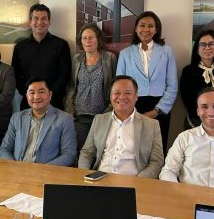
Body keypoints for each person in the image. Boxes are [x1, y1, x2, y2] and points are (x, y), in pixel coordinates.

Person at [77, 76, 163, 177]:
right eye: (117, 93)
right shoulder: (99, 120)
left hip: (134, 181)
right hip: (99, 180)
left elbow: (157, 162)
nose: (121, 97)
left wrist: (139, 181)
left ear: (136, 96)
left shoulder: (151, 125)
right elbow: (87, 152)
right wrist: (84, 174)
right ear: (110, 96)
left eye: (127, 93)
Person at [116, 11, 177, 152]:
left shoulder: (167, 52)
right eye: (142, 25)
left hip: (160, 107)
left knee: (157, 150)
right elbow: (119, 86)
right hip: (133, 106)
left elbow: (172, 85)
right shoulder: (125, 54)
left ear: (156, 30)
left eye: (150, 26)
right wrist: (130, 110)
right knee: (132, 150)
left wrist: (157, 111)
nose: (146, 29)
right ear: (136, 28)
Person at [0, 78, 76, 166]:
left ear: (50, 94)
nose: (36, 97)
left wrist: (43, 170)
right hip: (18, 169)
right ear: (26, 96)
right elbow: (5, 149)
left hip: (47, 171)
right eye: (32, 92)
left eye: (41, 92)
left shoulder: (65, 119)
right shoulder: (17, 117)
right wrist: (15, 167)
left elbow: (69, 154)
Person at [64, 24, 117, 152]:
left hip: (102, 116)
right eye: (84, 38)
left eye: (91, 37)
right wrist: (70, 111)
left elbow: (115, 87)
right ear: (80, 41)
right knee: (81, 152)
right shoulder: (76, 59)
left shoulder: (110, 58)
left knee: (99, 152)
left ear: (98, 39)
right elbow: (71, 86)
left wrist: (109, 111)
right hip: (79, 117)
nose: (88, 40)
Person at [11, 3, 71, 110]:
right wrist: (29, 94)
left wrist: (48, 95)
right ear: (30, 22)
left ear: (49, 21)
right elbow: (15, 75)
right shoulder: (20, 47)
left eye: (44, 18)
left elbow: (64, 76)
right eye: (36, 18)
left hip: (54, 103)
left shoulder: (61, 45)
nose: (40, 22)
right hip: (28, 104)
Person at [179, 29, 214, 129]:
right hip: (195, 123)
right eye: (203, 44)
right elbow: (187, 100)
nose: (207, 48)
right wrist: (206, 119)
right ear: (197, 48)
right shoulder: (188, 71)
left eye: (211, 44)